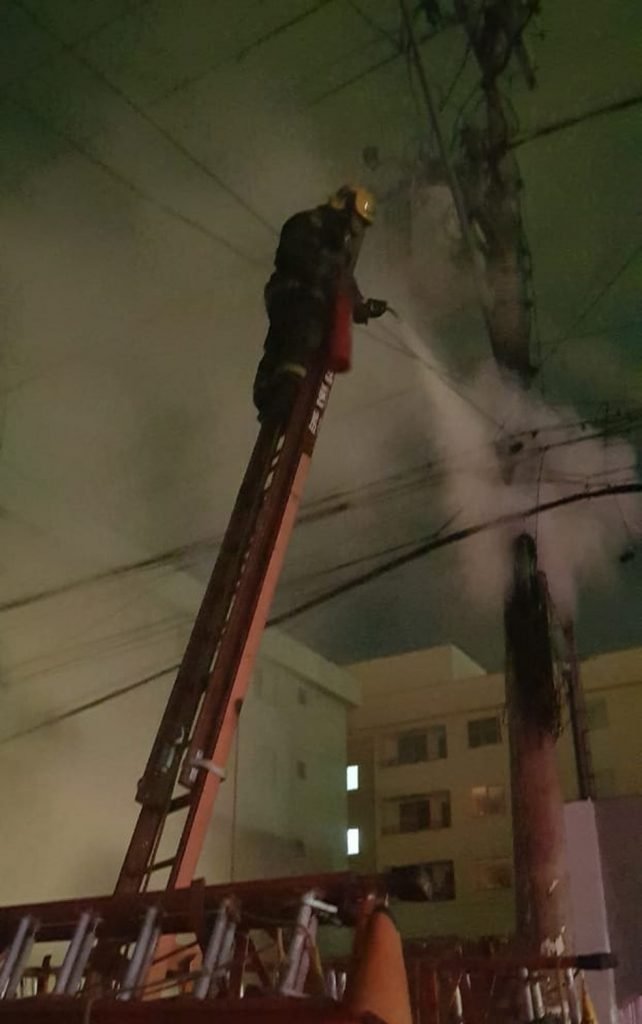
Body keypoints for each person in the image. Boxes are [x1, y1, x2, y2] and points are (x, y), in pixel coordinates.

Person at [253, 185, 388, 422]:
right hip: (291, 292)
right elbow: (290, 255)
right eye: (356, 222)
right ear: (344, 207)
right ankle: (282, 391)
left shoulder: (338, 249)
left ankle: (278, 391)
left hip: (306, 302)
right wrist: (323, 274)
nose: (355, 230)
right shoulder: (307, 224)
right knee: (304, 329)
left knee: (291, 340)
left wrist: (362, 307)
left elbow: (345, 283)